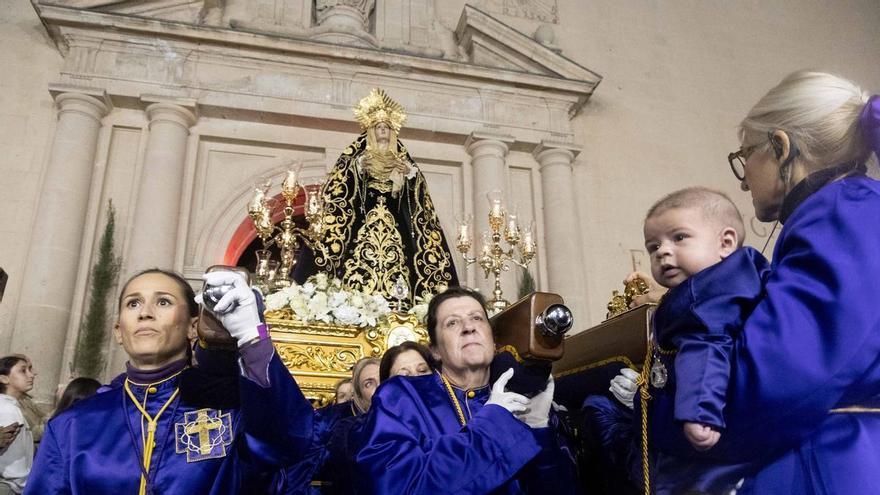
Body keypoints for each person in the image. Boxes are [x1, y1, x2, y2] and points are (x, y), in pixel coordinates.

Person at [629, 70, 880, 494]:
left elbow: (771, 386)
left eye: (745, 154)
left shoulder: (843, 215)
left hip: (832, 468)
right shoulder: (847, 210)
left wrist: (649, 410)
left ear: (781, 147)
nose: (744, 179)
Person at [27, 268, 314, 494]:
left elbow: (288, 443)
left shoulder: (229, 412)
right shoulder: (72, 425)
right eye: (133, 303)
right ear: (118, 331)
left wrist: (251, 337)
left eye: (163, 301)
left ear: (193, 327)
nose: (145, 312)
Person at [352, 286, 577, 494]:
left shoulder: (517, 401)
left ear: (493, 341)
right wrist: (494, 424)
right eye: (452, 323)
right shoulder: (401, 396)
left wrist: (539, 429)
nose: (468, 328)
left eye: (477, 318)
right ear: (435, 350)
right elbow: (399, 486)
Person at [293, 88, 458, 305]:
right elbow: (341, 184)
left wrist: (409, 176)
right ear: (371, 130)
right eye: (378, 127)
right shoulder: (357, 156)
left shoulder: (403, 159)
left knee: (402, 259)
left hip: (394, 220)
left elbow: (417, 197)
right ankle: (355, 300)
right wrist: (359, 168)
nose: (382, 131)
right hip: (365, 217)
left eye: (386, 127)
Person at [0, 356, 36, 495]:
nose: (31, 375)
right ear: (4, 379)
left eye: (30, 370)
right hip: (8, 486)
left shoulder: (12, 406)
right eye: (23, 371)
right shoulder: (7, 409)